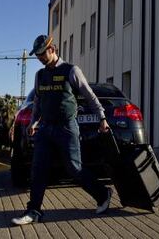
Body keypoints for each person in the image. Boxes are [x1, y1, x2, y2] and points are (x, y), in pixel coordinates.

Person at [11, 35, 112, 226]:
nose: (40, 57)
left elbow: (89, 96)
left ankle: (103, 193)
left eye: (42, 53)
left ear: (53, 49)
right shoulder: (40, 75)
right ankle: (33, 211)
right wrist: (33, 123)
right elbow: (38, 102)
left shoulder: (71, 71)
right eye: (37, 55)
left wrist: (102, 117)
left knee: (74, 168)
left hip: (67, 127)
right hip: (45, 128)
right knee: (38, 169)